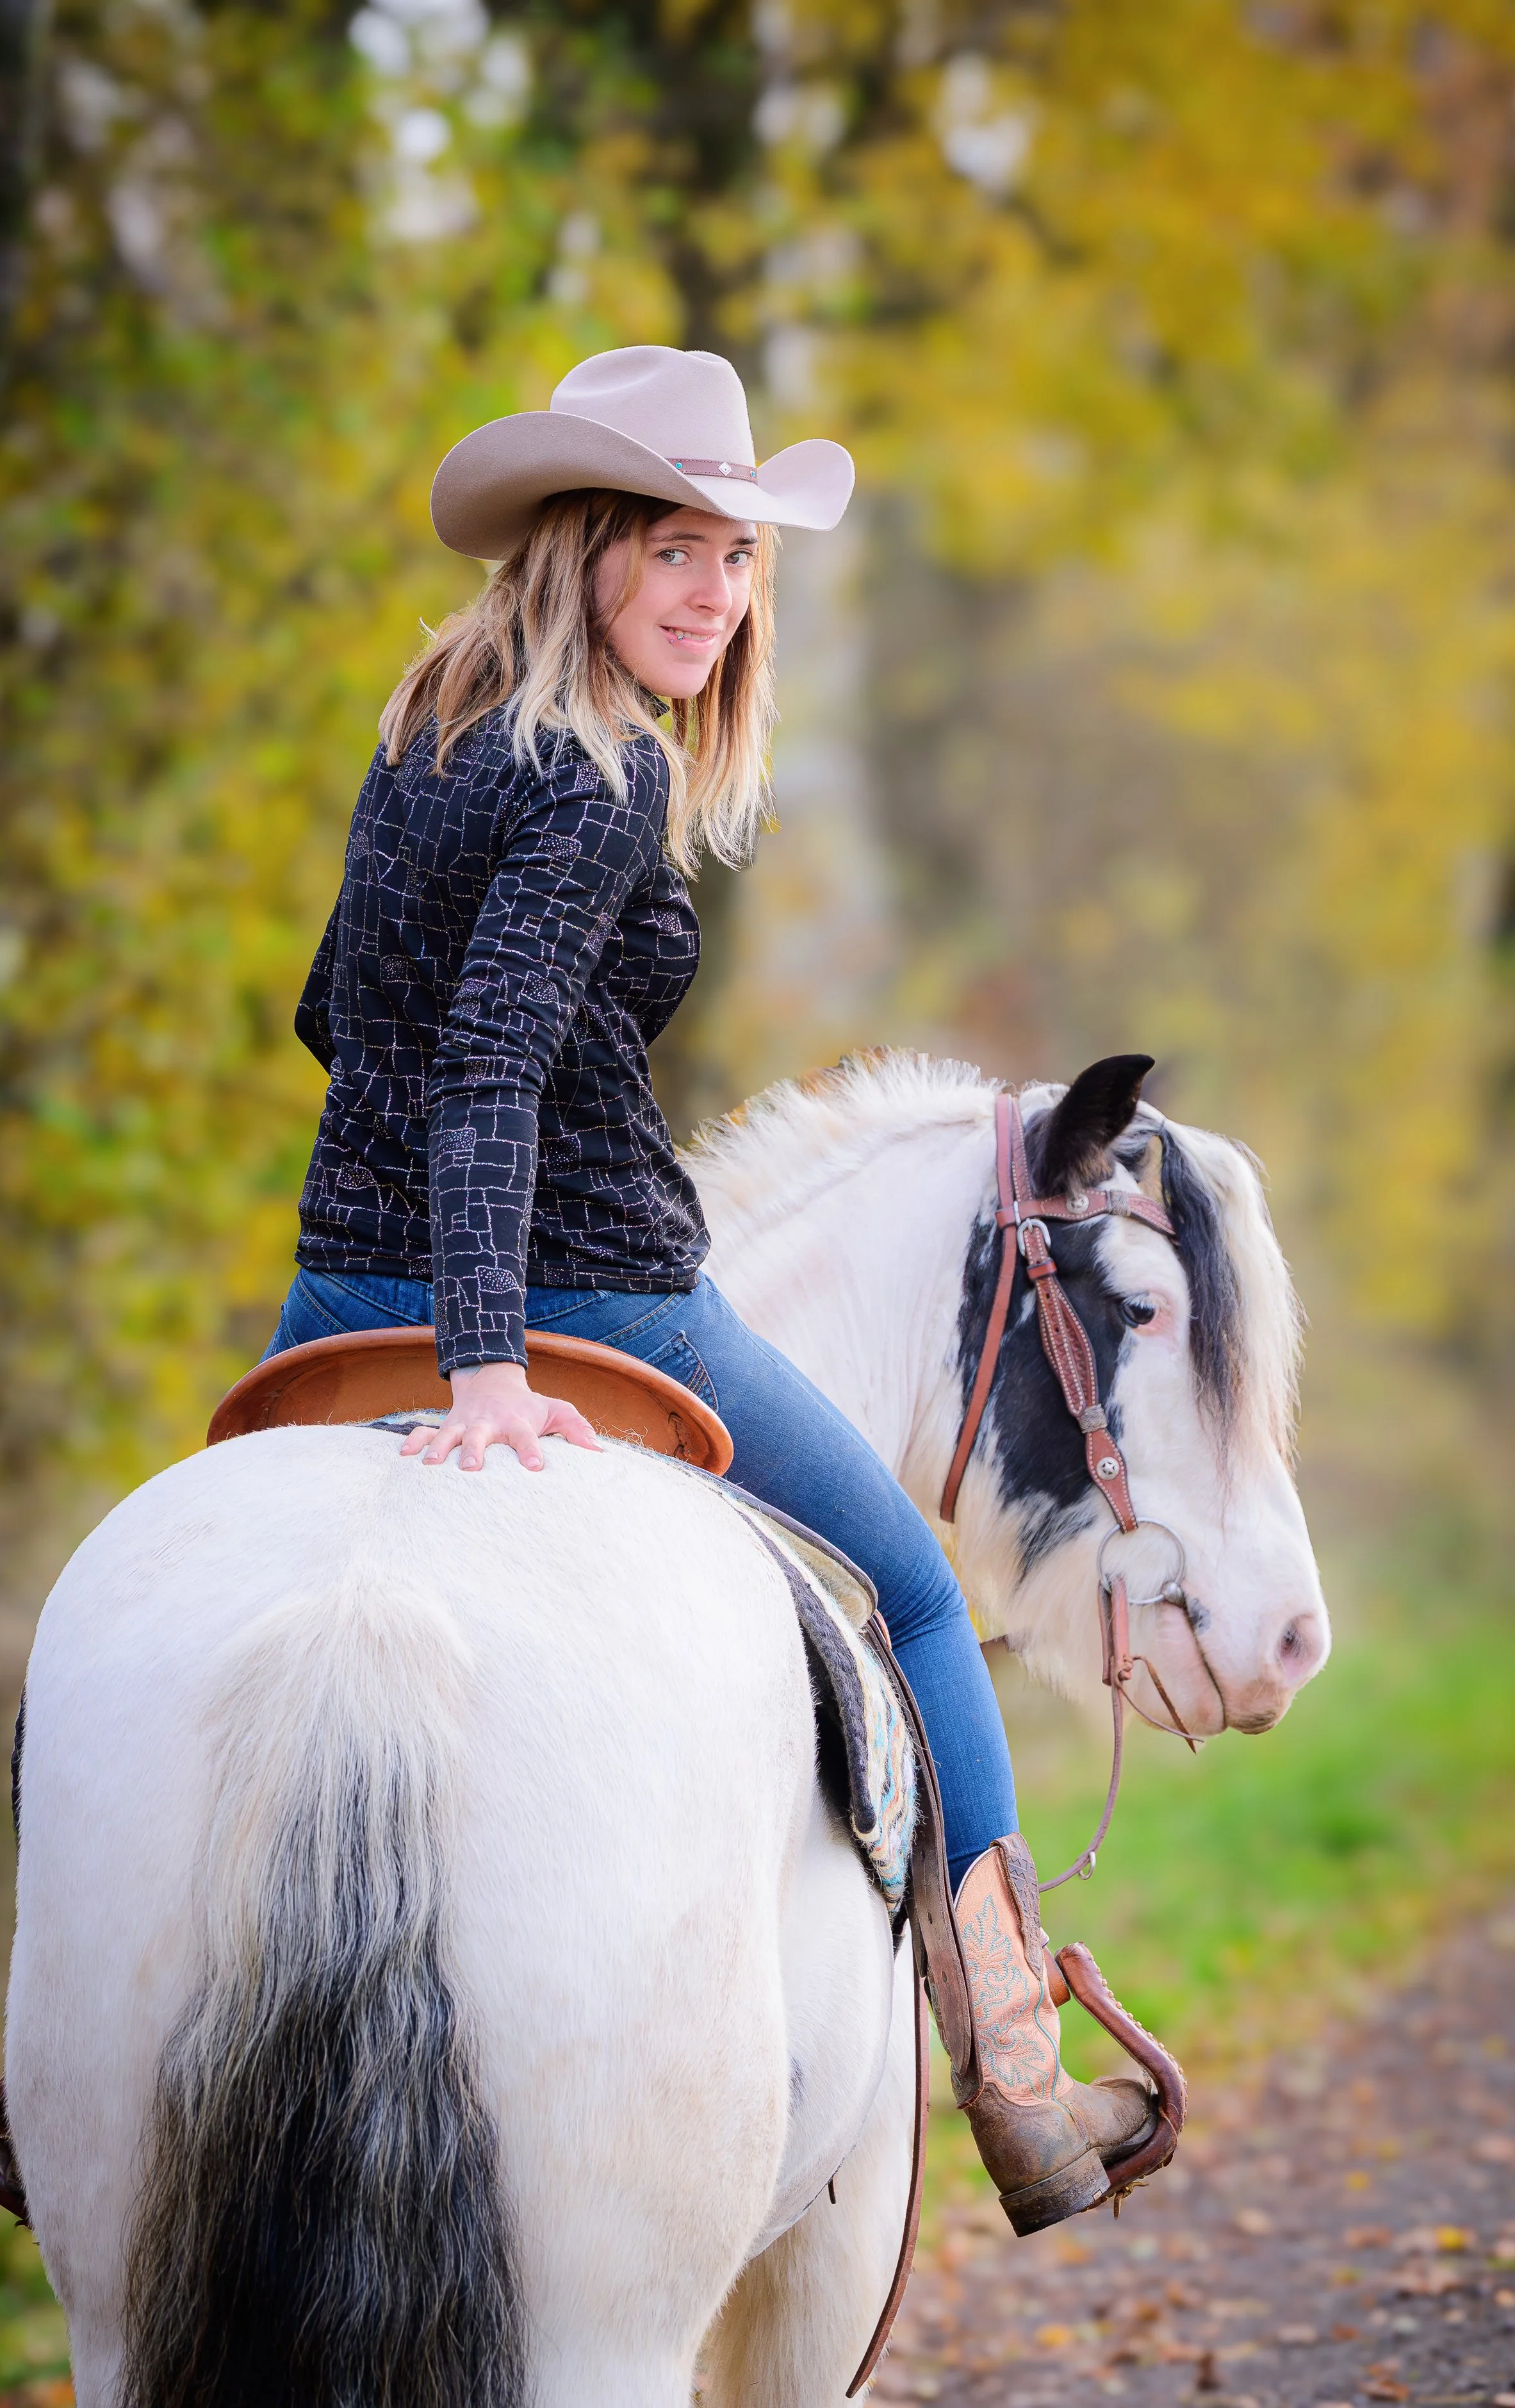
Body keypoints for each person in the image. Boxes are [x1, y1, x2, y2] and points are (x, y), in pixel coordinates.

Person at [266, 345, 1159, 2235]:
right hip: (590, 1300)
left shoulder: (419, 728)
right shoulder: (599, 786)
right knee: (918, 1600)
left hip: (332, 1296)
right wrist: (493, 1363)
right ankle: (1014, 2078)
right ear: (582, 545)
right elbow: (493, 1070)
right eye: (675, 547)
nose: (713, 593)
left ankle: (61, 2068)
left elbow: (332, 1014)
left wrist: (420, 1249)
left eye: (738, 559)